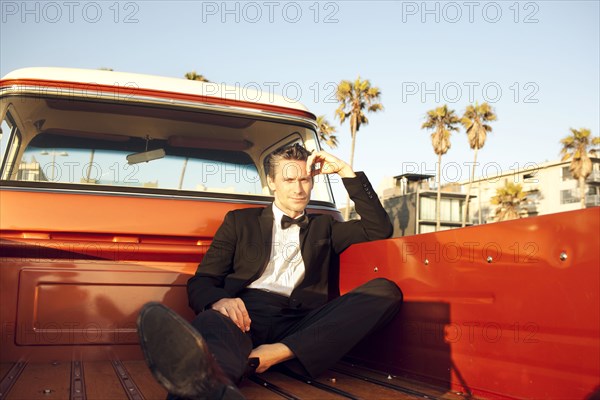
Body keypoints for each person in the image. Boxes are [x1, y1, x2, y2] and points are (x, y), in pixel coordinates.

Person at [137, 143, 403, 399]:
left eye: (305, 180)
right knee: (211, 323)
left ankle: (275, 354)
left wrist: (346, 171)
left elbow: (379, 228)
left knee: (385, 292)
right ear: (272, 183)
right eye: (289, 181)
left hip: (302, 327)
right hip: (244, 316)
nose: (299, 189)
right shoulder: (239, 222)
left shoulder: (326, 227)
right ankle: (214, 387)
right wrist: (219, 301)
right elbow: (203, 281)